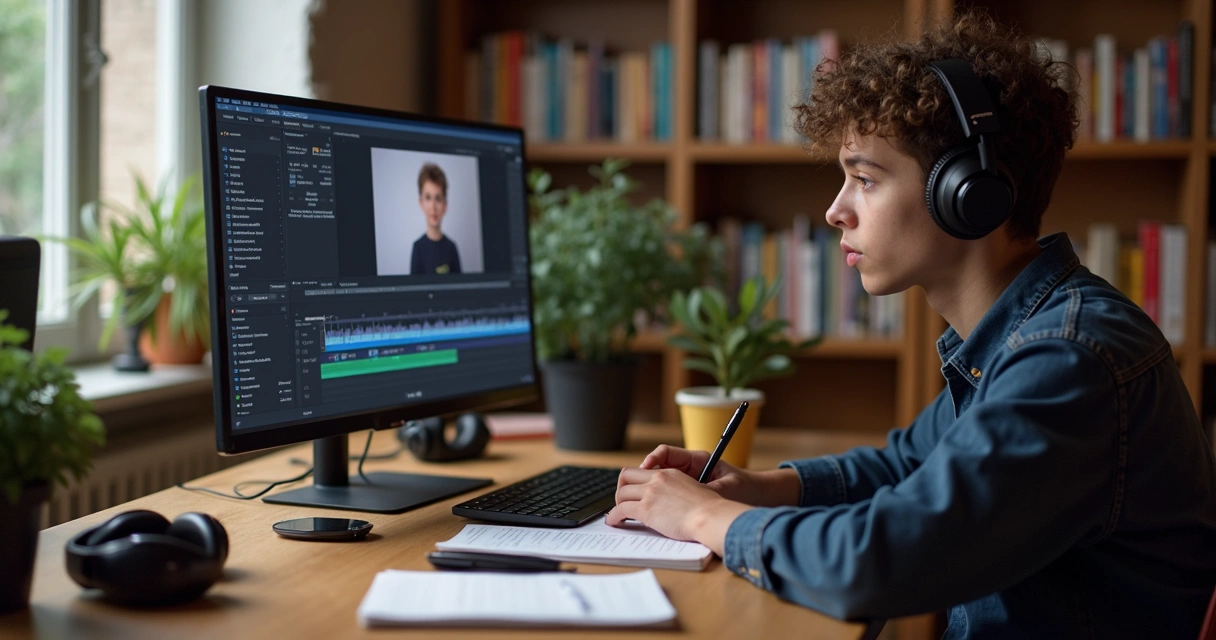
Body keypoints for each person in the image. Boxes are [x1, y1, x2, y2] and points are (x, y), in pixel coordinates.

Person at [607, 11, 1216, 639]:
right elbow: (908, 468)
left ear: (967, 192)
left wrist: (706, 519)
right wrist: (758, 488)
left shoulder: (1069, 359)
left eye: (865, 179)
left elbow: (884, 560)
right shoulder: (1017, 336)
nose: (834, 210)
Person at [409, 162, 462, 275]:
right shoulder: (418, 248)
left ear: (445, 205)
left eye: (438, 198)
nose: (433, 207)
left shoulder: (452, 248)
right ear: (421, 203)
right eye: (428, 198)